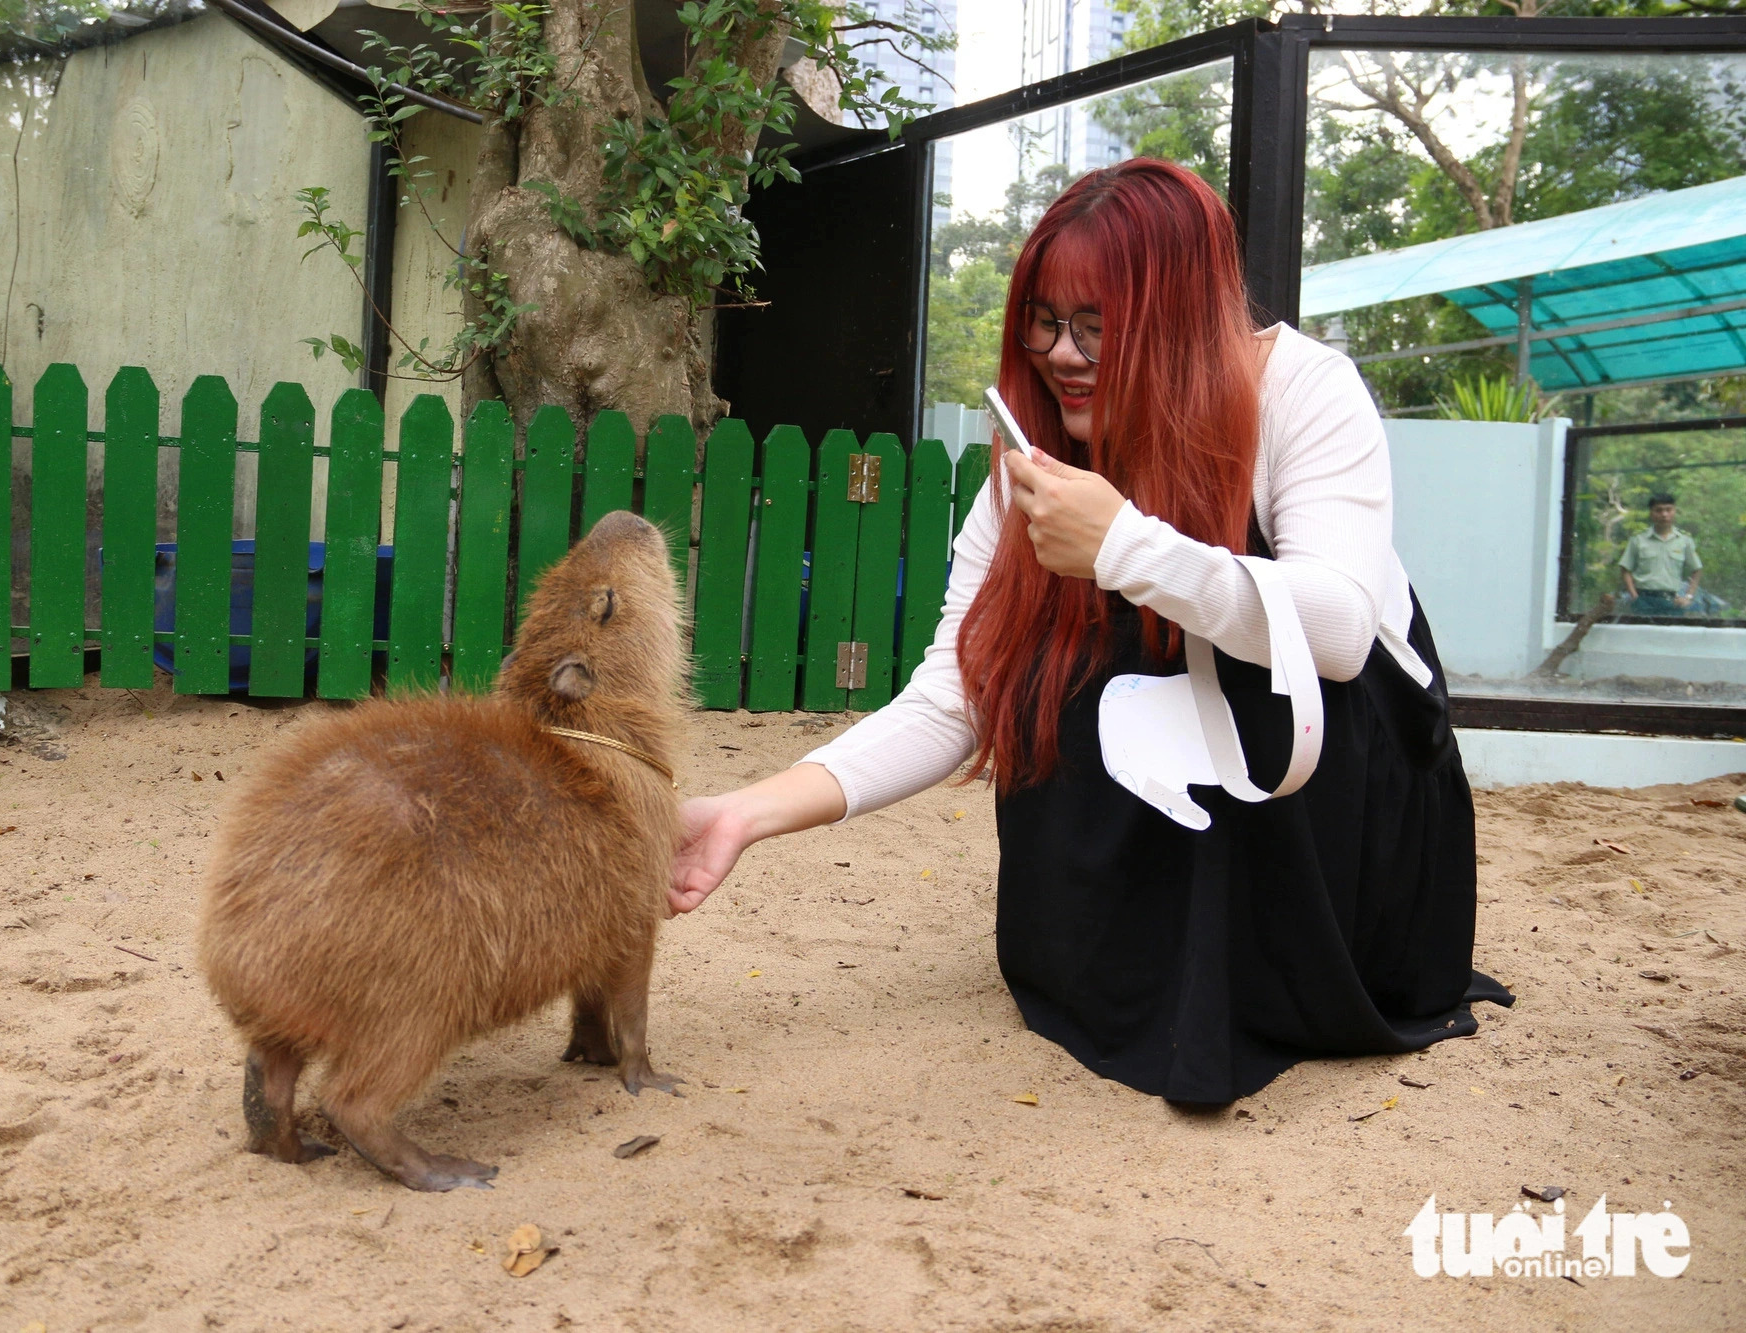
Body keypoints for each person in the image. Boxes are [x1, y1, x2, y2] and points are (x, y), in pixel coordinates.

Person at [669, 159, 1511, 1106]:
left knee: (1238, 624)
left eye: (1097, 327)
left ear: (1180, 318)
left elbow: (1342, 634)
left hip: (1332, 810)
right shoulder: (1034, 456)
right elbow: (957, 691)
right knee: (1059, 648)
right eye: (1044, 320)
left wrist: (1128, 547)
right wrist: (747, 811)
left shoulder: (1302, 392)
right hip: (1163, 825)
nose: (1061, 354)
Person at [1619, 492, 1702, 616]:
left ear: (1674, 511)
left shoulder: (1684, 540)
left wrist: (1688, 597)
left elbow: (1697, 569)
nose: (1664, 514)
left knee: (1673, 634)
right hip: (1644, 599)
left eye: (1668, 510)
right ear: (1651, 513)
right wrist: (1634, 596)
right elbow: (1625, 569)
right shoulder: (1638, 539)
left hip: (1672, 601)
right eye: (1659, 510)